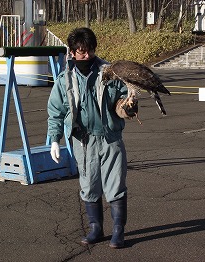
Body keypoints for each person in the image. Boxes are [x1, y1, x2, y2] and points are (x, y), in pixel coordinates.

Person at [47, 27, 138, 249]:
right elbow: (55, 111)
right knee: (89, 186)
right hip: (82, 141)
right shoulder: (64, 79)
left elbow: (122, 101)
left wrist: (128, 106)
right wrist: (54, 140)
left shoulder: (110, 73)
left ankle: (118, 231)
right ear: (72, 52)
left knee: (115, 186)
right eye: (80, 51)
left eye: (88, 50)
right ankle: (95, 228)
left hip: (110, 139)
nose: (85, 55)